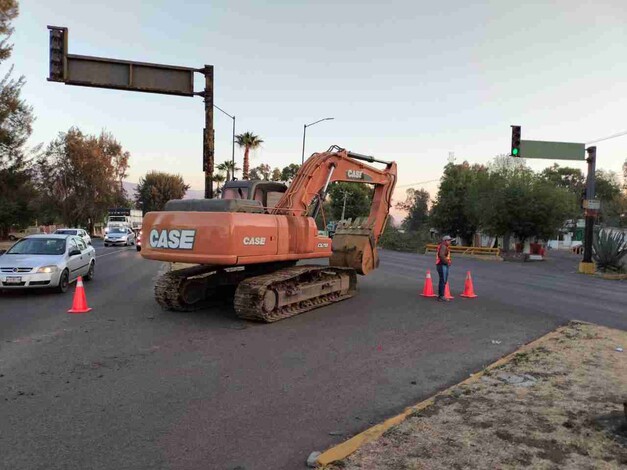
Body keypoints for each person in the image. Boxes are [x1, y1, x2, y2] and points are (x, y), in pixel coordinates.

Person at [436, 235, 452, 302]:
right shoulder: (443, 246)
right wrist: (447, 262)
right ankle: (441, 296)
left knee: (442, 280)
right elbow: (441, 255)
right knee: (443, 281)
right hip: (442, 265)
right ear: (445, 241)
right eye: (449, 240)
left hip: (441, 265)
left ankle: (441, 295)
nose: (450, 242)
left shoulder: (443, 246)